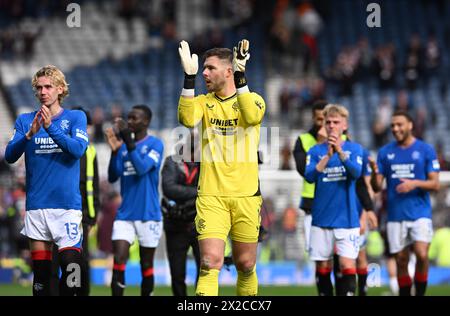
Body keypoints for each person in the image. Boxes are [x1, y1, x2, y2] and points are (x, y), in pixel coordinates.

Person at [177, 39, 266, 296]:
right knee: (209, 262)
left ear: (228, 71)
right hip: (211, 196)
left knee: (246, 264)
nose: (204, 72)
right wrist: (189, 78)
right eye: (203, 68)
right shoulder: (205, 102)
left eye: (210, 68)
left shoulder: (254, 99)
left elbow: (250, 116)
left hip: (246, 196)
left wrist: (241, 77)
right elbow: (186, 118)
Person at [4, 65, 89, 296]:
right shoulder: (24, 120)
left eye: (48, 86)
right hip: (37, 207)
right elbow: (10, 156)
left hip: (67, 207)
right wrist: (29, 135)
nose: (43, 91)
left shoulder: (75, 118)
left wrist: (51, 128)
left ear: (60, 89)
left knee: (72, 269)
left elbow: (78, 149)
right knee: (41, 276)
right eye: (39, 87)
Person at [370, 110, 440, 296]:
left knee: (422, 254)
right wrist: (374, 173)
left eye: (399, 124)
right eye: (392, 125)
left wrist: (415, 183)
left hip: (420, 213)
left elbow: (435, 184)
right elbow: (377, 187)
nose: (395, 128)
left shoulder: (425, 150)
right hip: (395, 215)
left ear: (410, 125)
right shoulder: (385, 152)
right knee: (401, 259)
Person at [105, 105, 164, 296]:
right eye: (128, 118)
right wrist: (114, 152)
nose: (129, 122)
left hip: (149, 214)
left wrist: (128, 143)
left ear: (145, 121)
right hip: (125, 214)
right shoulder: (122, 148)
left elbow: (141, 168)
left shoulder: (156, 144)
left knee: (146, 264)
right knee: (119, 258)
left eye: (134, 118)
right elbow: (113, 176)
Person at [304, 104, 363, 296]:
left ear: (344, 125)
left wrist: (340, 153)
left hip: (347, 219)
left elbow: (356, 173)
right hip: (321, 218)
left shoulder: (354, 149)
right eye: (328, 122)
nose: (331, 126)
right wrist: (327, 157)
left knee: (347, 264)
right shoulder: (314, 151)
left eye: (336, 122)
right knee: (322, 265)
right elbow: (309, 176)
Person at [50, 107, 100, 296]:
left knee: (80, 262)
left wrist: (91, 217)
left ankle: (80, 293)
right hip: (56, 211)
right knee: (53, 263)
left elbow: (92, 185)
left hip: (81, 216)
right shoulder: (58, 147)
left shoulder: (90, 151)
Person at [161, 129, 201, 296]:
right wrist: (198, 193)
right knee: (177, 274)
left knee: (206, 270)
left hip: (200, 224)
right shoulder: (171, 162)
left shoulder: (207, 164)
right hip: (176, 224)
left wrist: (186, 193)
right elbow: (169, 189)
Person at [292, 100, 327, 253]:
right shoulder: (303, 141)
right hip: (311, 203)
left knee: (340, 258)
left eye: (326, 119)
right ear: (313, 118)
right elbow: (305, 171)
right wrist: (321, 145)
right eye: (319, 119)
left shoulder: (344, 141)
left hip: (338, 204)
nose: (323, 123)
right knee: (317, 254)